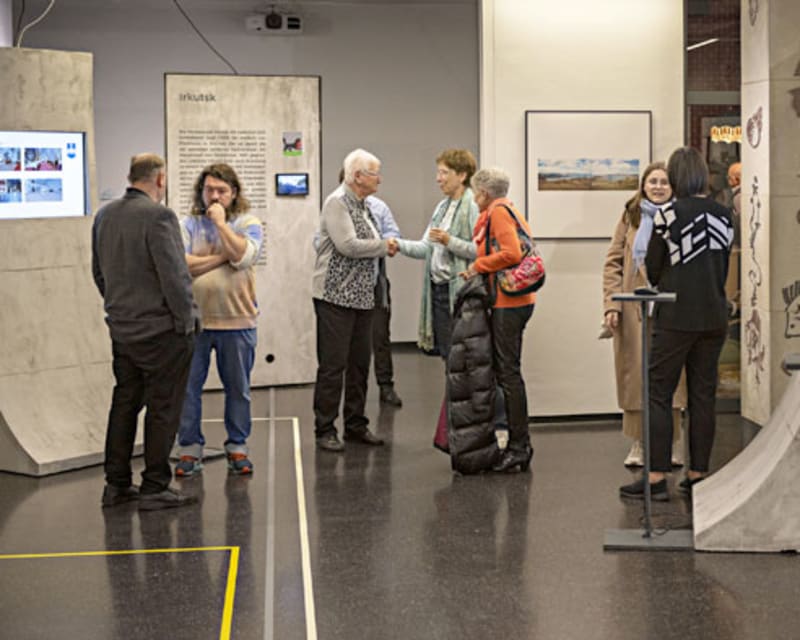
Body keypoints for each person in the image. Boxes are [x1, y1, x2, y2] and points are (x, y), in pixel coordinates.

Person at [620, 146, 734, 501]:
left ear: (675, 177)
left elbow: (654, 269)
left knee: (658, 392)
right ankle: (698, 474)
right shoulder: (724, 214)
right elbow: (723, 265)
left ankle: (655, 477)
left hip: (676, 316)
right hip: (714, 316)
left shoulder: (668, 215)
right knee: (702, 395)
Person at [91, 153, 198, 510]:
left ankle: (116, 484)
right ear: (160, 179)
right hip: (161, 332)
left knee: (125, 403)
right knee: (163, 407)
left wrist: (120, 308)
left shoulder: (105, 215)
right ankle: (154, 485)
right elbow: (175, 277)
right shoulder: (159, 217)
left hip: (123, 330)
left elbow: (99, 273)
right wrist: (187, 321)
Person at [175, 163, 263, 477]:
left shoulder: (248, 222)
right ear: (201, 191)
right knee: (188, 389)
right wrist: (222, 257)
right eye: (209, 189)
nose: (214, 196)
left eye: (221, 191)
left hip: (238, 322)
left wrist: (222, 225)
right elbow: (182, 265)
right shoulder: (187, 224)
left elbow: (244, 256)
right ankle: (189, 449)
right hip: (195, 323)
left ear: (233, 193)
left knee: (238, 389)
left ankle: (237, 446)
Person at [312, 149, 397, 452]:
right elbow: (347, 245)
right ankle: (325, 428)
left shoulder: (364, 205)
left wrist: (383, 244)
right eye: (375, 174)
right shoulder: (337, 202)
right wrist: (383, 246)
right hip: (335, 296)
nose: (380, 179)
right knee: (333, 366)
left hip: (363, 296)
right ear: (358, 176)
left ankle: (355, 424)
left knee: (360, 364)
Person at [602, 162, 685, 468]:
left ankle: (671, 443)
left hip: (670, 306)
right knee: (635, 376)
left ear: (673, 187)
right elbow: (613, 263)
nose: (659, 187)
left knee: (671, 376)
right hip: (633, 307)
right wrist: (611, 305)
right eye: (653, 182)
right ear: (644, 185)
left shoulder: (680, 216)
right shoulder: (631, 215)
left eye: (664, 182)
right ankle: (638, 442)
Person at [462, 167, 535, 473]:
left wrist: (478, 266)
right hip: (513, 301)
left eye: (474, 192)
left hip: (509, 302)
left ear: (483, 193)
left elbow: (511, 253)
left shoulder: (499, 213)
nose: (473, 198)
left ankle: (519, 447)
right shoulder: (506, 209)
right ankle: (517, 444)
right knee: (507, 372)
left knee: (508, 374)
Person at [395, 149, 479, 359]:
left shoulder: (473, 206)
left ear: (462, 175)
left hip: (462, 292)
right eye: (438, 172)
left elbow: (481, 251)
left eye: (444, 173)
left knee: (462, 357)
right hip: (439, 290)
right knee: (448, 354)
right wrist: (396, 244)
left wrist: (449, 241)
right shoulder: (442, 207)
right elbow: (426, 248)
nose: (438, 179)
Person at [337, 168, 403, 407]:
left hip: (375, 283)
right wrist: (358, 246)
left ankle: (386, 385)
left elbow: (393, 236)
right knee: (348, 342)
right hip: (345, 287)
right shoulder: (335, 207)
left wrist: (374, 245)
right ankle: (349, 392)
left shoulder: (379, 207)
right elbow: (321, 241)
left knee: (380, 336)